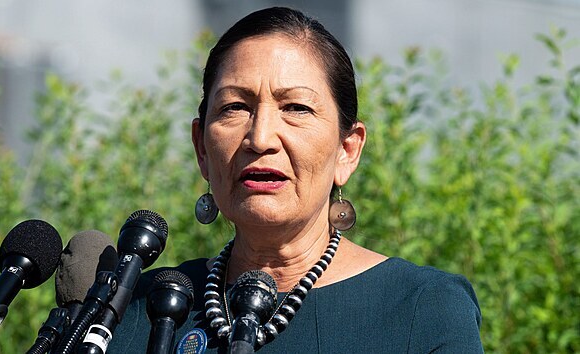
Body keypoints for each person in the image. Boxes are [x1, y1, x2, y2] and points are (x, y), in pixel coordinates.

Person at [108, 7, 483, 353]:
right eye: (235, 107)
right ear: (201, 149)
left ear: (347, 150)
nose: (260, 138)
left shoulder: (424, 308)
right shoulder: (138, 307)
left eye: (296, 108)